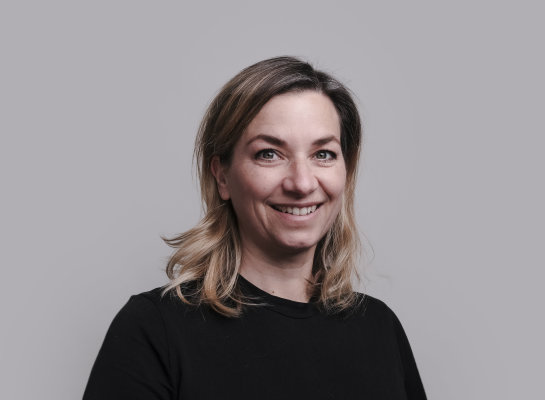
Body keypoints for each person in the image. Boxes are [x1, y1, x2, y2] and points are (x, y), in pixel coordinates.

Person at [83, 56, 427, 399]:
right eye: (269, 154)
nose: (302, 183)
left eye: (323, 154)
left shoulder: (380, 329)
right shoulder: (154, 329)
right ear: (222, 176)